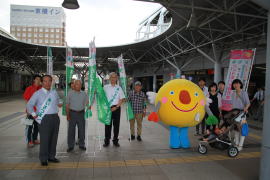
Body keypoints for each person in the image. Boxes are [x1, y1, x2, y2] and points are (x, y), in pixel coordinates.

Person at [27, 75, 62, 166]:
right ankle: (43, 158)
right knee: (45, 139)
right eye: (45, 81)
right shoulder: (37, 93)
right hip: (44, 118)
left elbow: (59, 101)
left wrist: (61, 103)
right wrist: (34, 115)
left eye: (49, 81)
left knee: (54, 138)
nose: (47, 83)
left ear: (51, 82)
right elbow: (29, 105)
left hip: (55, 117)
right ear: (42, 82)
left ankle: (51, 156)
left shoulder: (54, 92)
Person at [66, 80, 90, 152]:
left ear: (81, 85)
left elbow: (87, 103)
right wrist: (68, 115)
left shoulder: (84, 94)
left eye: (79, 84)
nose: (78, 86)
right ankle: (70, 146)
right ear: (74, 85)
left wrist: (89, 105)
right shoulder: (70, 93)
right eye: (77, 84)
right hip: (72, 113)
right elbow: (67, 105)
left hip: (81, 114)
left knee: (82, 130)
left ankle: (82, 145)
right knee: (71, 131)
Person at [103, 72, 125, 147]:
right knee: (107, 125)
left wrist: (116, 107)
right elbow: (102, 98)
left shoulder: (119, 88)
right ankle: (107, 141)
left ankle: (115, 140)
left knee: (116, 125)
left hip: (117, 108)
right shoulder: (105, 87)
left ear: (116, 78)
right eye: (111, 77)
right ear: (109, 78)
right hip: (108, 108)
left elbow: (122, 99)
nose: (113, 79)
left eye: (114, 77)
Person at [230, 79, 250, 151]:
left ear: (240, 84)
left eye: (237, 83)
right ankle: (236, 144)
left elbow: (248, 103)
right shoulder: (232, 93)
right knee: (236, 130)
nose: (236, 85)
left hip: (242, 114)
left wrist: (246, 108)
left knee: (242, 130)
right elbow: (232, 105)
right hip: (235, 114)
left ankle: (240, 146)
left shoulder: (244, 93)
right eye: (234, 83)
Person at [23, 75, 42, 148]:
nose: (38, 80)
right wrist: (28, 110)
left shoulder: (41, 89)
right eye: (37, 79)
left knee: (37, 126)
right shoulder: (29, 88)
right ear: (34, 80)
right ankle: (29, 141)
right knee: (29, 127)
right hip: (31, 111)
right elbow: (27, 100)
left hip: (38, 112)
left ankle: (35, 139)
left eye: (39, 79)